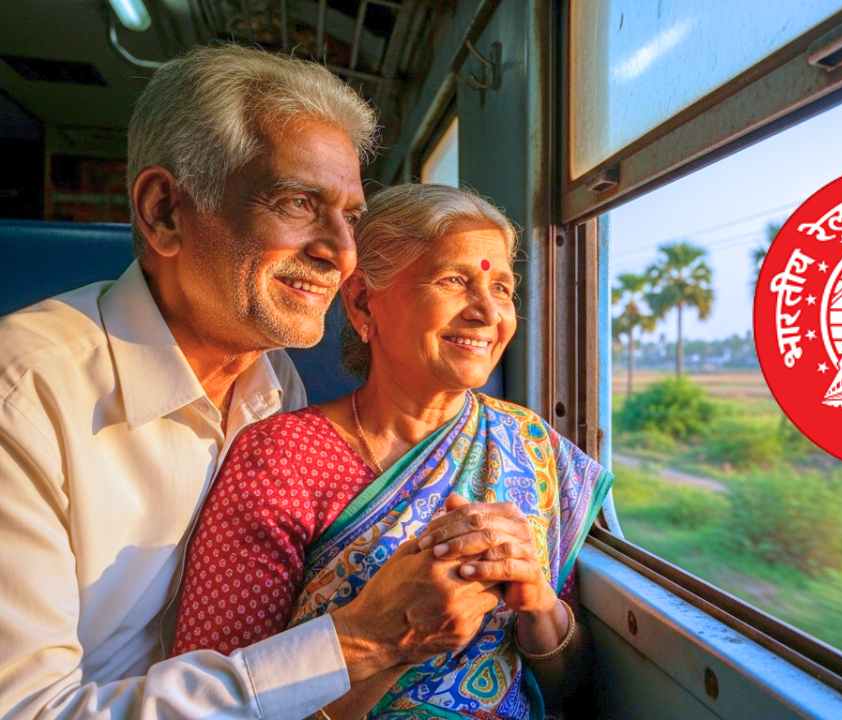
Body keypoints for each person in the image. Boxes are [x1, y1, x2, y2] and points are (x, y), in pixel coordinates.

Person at [0, 46, 503, 720]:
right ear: (165, 212)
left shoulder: (275, 386)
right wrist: (355, 642)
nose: (341, 252)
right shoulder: (25, 396)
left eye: (350, 216)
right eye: (298, 203)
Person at [170, 184, 614, 719]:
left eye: (502, 288)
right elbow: (216, 706)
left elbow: (568, 687)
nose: (486, 312)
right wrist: (399, 643)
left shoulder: (531, 445)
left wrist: (539, 603)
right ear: (362, 302)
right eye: (454, 280)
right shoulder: (281, 457)